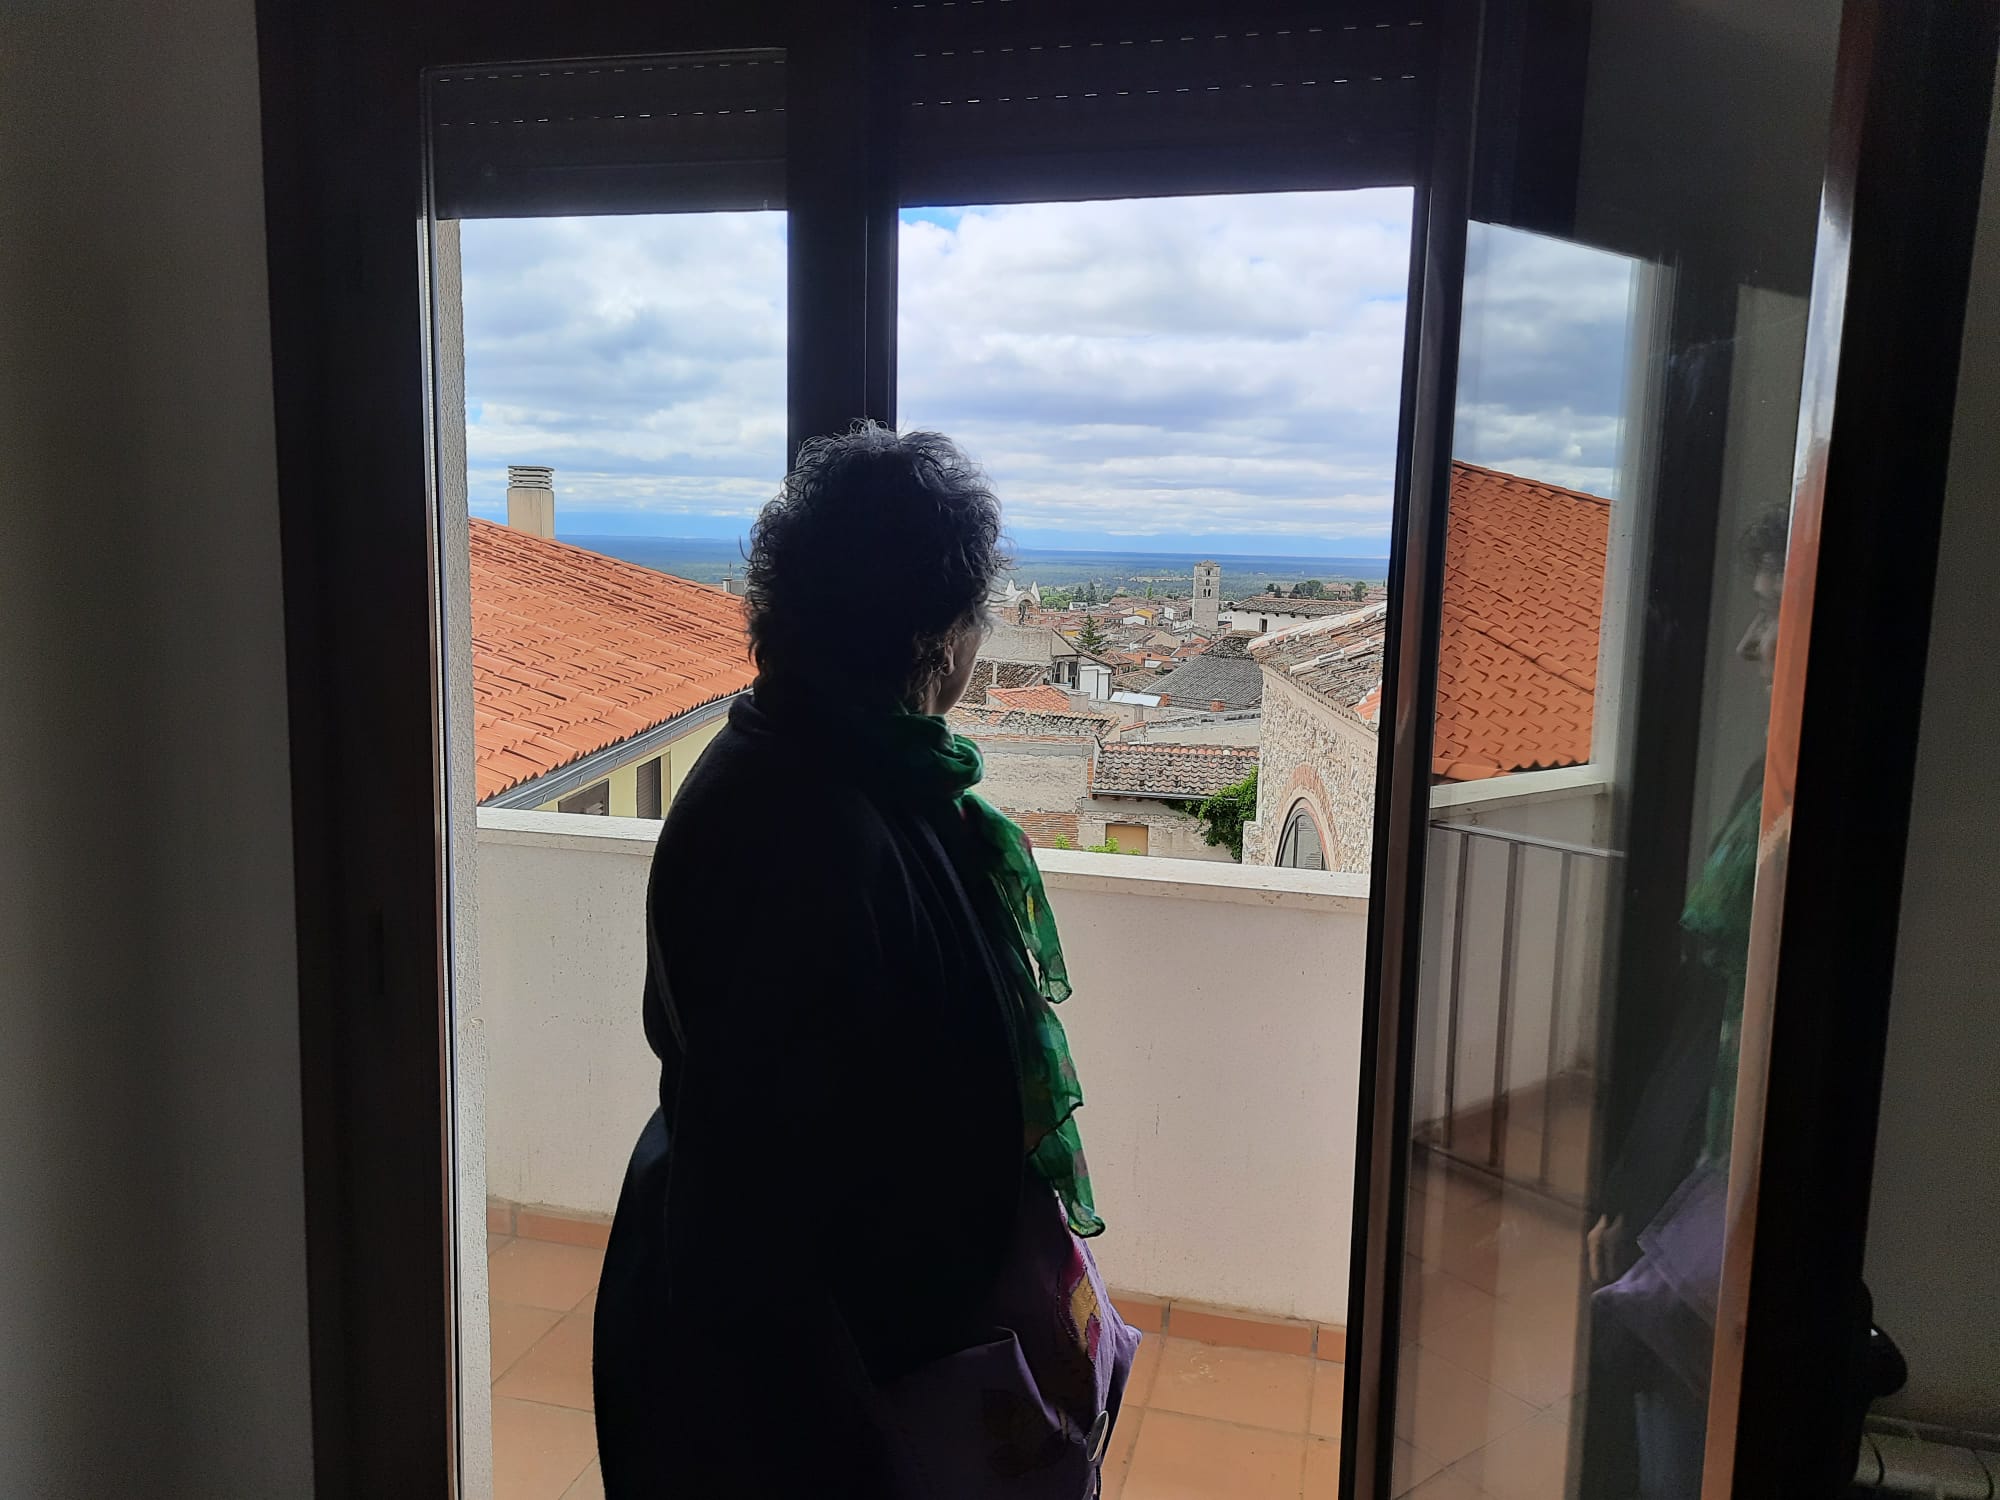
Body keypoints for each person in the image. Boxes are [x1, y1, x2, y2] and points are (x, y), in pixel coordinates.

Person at [592, 424, 1138, 1498]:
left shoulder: (801, 766)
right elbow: (808, 1181)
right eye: (974, 616)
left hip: (785, 1345)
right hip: (805, 1389)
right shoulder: (815, 826)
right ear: (932, 636)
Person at [1585, 505, 1789, 1499]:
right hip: (1706, 1186)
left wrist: (1634, 1191)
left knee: (1676, 1425)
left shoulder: (1782, 801)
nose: (1749, 645)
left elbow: (1704, 1021)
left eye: (1772, 616)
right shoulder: (1771, 787)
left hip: (1717, 1196)